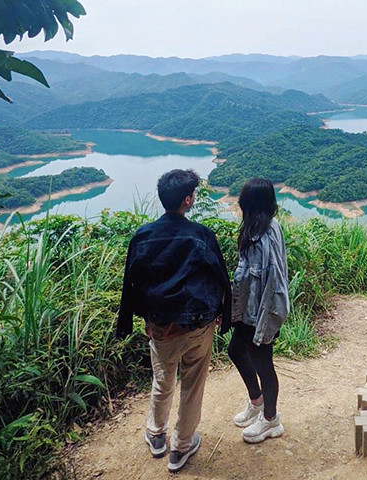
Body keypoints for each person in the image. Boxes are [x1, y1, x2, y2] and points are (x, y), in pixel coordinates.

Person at [115, 169, 232, 473]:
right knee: (193, 385)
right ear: (188, 200)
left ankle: (156, 434)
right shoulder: (202, 236)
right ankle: (181, 447)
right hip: (198, 325)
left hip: (162, 328)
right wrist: (221, 314)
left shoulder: (143, 236)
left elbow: (133, 284)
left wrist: (144, 318)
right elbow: (219, 279)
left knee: (163, 379)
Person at [228, 177, 290, 444]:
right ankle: (257, 401)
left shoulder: (268, 234)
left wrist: (267, 324)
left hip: (263, 314)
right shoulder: (255, 228)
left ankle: (271, 419)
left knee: (263, 363)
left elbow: (275, 282)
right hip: (248, 311)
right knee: (235, 350)